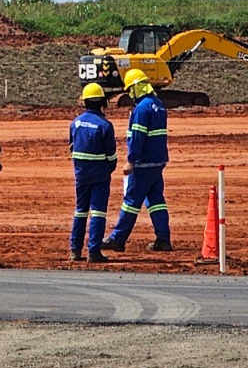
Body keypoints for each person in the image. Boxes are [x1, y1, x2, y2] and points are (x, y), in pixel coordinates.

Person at [101, 69, 173, 252]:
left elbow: (138, 137)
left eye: (130, 89)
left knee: (131, 201)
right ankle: (163, 239)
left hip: (143, 162)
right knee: (156, 200)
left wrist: (131, 161)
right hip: (158, 161)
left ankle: (118, 239)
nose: (130, 93)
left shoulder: (141, 109)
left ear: (136, 88)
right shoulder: (158, 104)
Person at [69, 83, 117, 263]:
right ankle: (94, 251)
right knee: (97, 213)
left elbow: (72, 148)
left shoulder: (76, 123)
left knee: (80, 211)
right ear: (102, 102)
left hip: (81, 175)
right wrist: (107, 169)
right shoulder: (105, 125)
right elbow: (111, 155)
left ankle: (75, 250)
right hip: (100, 176)